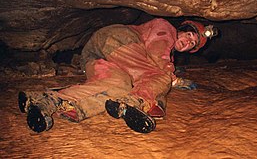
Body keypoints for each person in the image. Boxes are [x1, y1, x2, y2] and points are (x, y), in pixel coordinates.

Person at [18, 18, 217, 133]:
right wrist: (172, 79)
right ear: (181, 30)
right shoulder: (167, 29)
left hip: (95, 55)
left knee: (119, 85)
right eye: (189, 36)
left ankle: (50, 101)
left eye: (192, 44)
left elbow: (153, 61)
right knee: (159, 76)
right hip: (119, 39)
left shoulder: (169, 49)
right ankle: (135, 102)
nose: (188, 42)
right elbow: (158, 55)